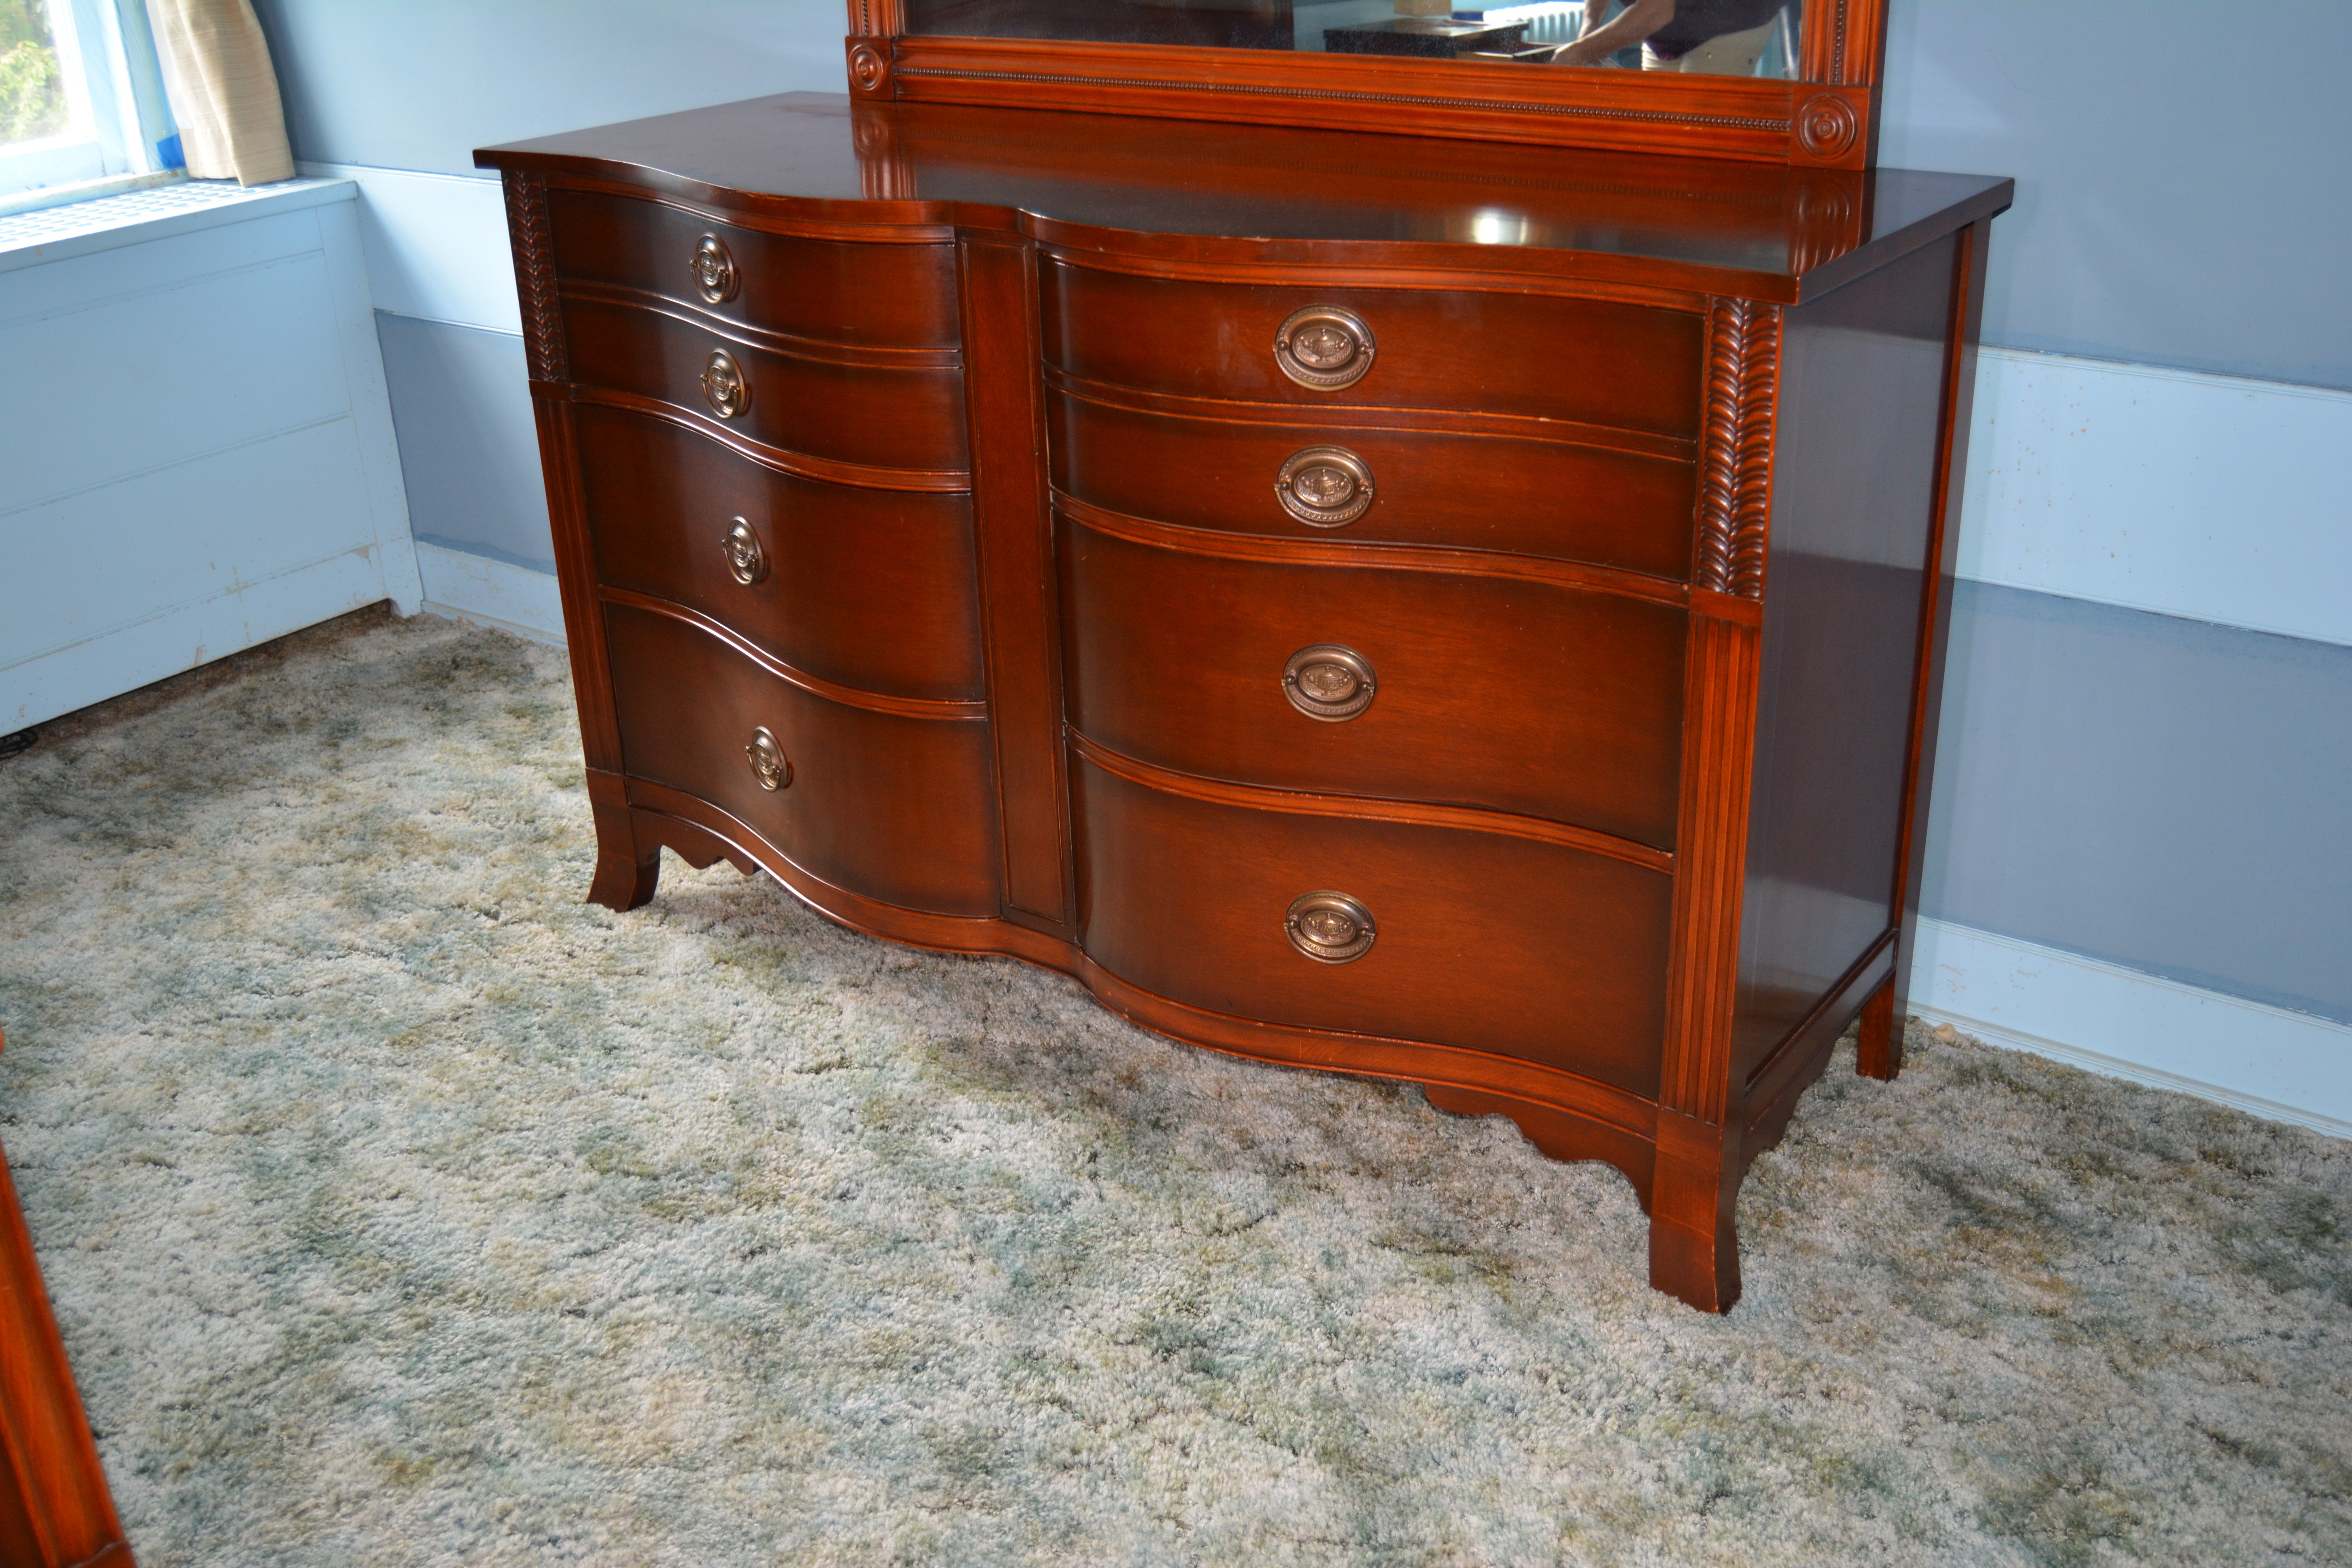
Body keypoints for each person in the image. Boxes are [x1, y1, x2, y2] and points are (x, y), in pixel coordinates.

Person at [1549, 0, 1788, 75]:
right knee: (1655, 125)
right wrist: (1590, 25)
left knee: (1696, 136)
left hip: (1730, 18)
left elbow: (1657, 10)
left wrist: (1582, 50)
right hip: (1667, 25)